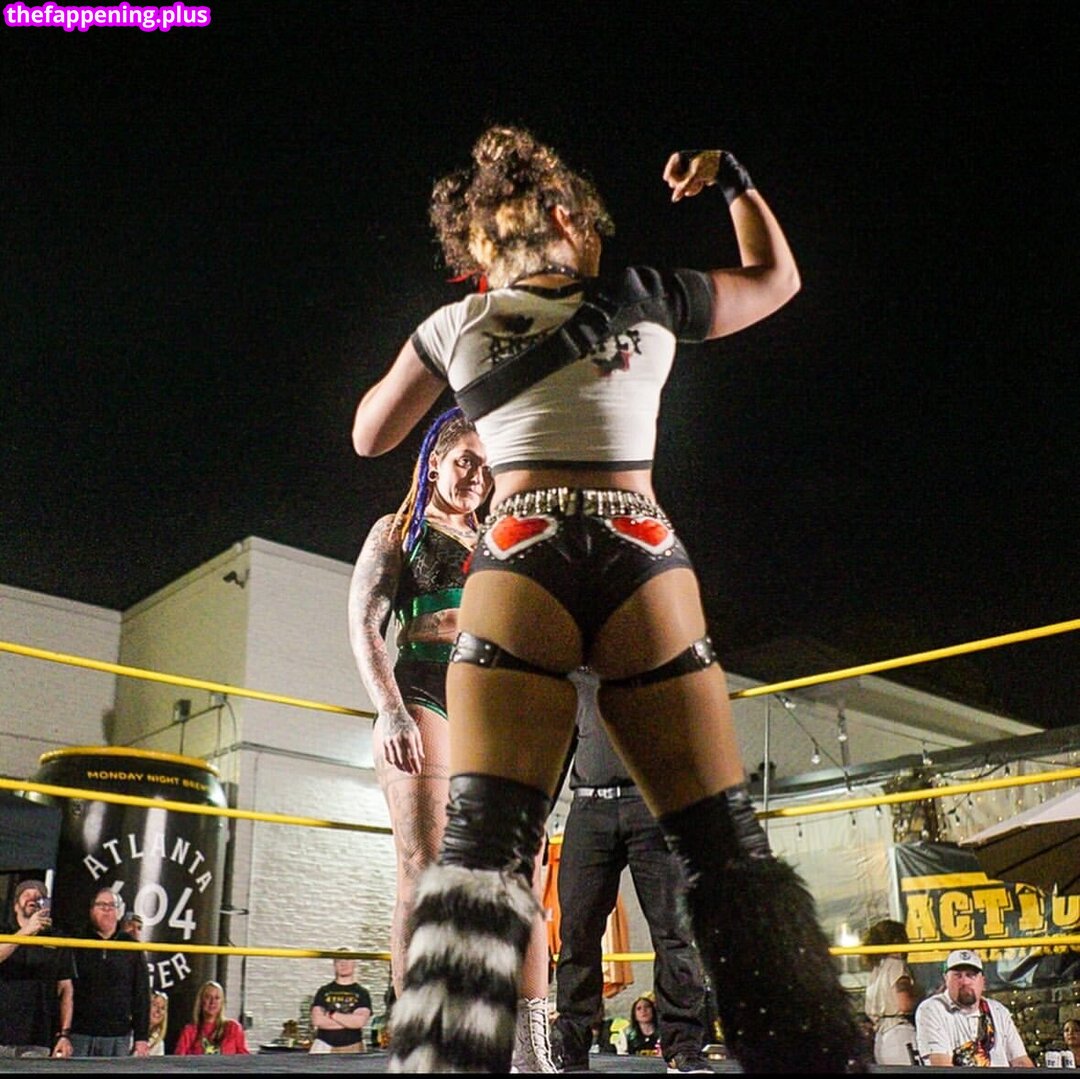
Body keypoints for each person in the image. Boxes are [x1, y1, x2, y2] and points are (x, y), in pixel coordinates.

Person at [351, 123, 865, 1074]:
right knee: (724, 847)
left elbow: (369, 434)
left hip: (521, 552)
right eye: (591, 224)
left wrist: (463, 338)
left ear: (487, 243)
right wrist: (734, 181)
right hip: (639, 549)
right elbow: (777, 280)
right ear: (563, 217)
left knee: (482, 853)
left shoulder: (457, 324)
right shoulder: (648, 295)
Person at [348, 405, 556, 1071]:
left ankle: (529, 1047)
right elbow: (364, 620)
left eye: (487, 468)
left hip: (494, 698)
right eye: (466, 460)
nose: (476, 476)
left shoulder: (499, 537)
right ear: (435, 460)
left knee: (518, 870)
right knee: (425, 867)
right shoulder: (398, 529)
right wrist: (390, 709)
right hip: (425, 689)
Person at [551, 668, 713, 1074]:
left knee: (674, 931)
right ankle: (570, 1048)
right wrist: (535, 816)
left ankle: (684, 1048)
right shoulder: (575, 677)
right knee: (577, 930)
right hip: (588, 808)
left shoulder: (663, 666)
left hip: (652, 805)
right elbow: (556, 751)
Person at [914, 948, 1034, 1067]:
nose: (965, 982)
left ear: (983, 981)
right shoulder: (932, 1009)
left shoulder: (998, 1011)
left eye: (971, 975)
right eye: (957, 975)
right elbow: (941, 1066)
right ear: (946, 979)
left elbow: (1020, 1060)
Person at [68, 886, 149, 1057]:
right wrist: (62, 1033)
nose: (106, 909)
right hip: (79, 1034)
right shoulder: (76, 942)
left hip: (118, 1036)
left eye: (111, 905)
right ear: (91, 910)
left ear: (119, 912)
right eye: (101, 905)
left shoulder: (132, 947)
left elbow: (141, 994)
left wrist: (141, 1037)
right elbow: (64, 989)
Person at [0, 879, 75, 1059]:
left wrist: (64, 1034)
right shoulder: (3, 932)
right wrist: (25, 932)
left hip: (38, 1035)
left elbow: (66, 989)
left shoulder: (56, 938)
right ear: (16, 906)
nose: (33, 898)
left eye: (39, 896)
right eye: (27, 894)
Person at [862, 918, 920, 1065]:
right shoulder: (897, 966)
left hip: (881, 1038)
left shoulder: (876, 970)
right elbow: (905, 1004)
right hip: (900, 1034)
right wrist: (926, 998)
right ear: (896, 941)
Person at [308, 949, 373, 1054]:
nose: (343, 964)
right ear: (334, 964)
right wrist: (349, 1022)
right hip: (324, 1046)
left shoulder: (362, 993)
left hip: (353, 1047)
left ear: (354, 963)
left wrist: (332, 1014)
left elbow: (359, 1022)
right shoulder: (323, 991)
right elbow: (318, 1021)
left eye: (347, 960)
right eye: (339, 960)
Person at [173, 979, 250, 1055]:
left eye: (217, 998)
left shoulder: (233, 1028)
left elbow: (245, 1060)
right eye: (208, 997)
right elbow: (179, 1060)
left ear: (222, 1002)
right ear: (201, 1001)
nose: (212, 1002)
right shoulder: (189, 1031)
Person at [147, 992, 168, 1056]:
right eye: (154, 1005)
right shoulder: (130, 1033)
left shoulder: (158, 1042)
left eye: (162, 1008)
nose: (158, 1011)